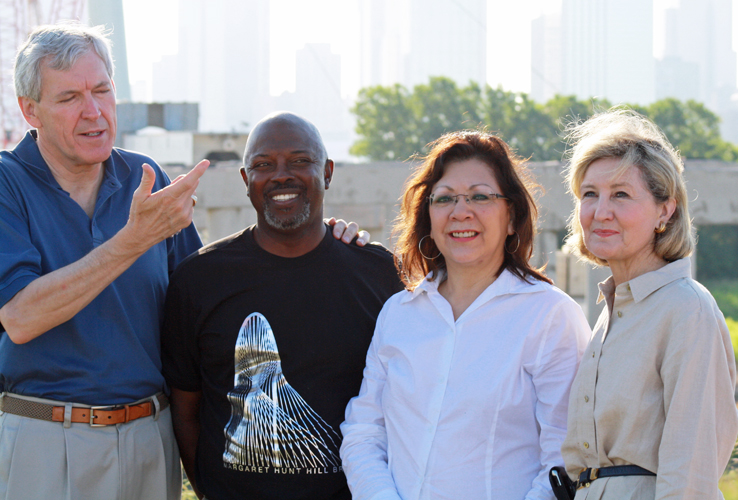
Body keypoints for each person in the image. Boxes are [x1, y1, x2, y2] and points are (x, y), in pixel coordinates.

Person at [0, 22, 367, 500]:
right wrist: (133, 241)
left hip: (150, 440)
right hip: (46, 441)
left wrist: (321, 237)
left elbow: (206, 299)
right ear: (31, 110)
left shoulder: (144, 176)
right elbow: (20, 316)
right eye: (69, 98)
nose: (93, 112)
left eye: (102, 90)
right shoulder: (7, 185)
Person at [160, 111, 404, 500]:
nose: (281, 175)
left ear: (327, 172)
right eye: (262, 165)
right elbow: (185, 409)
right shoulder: (199, 280)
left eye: (299, 161)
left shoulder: (380, 275)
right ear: (246, 181)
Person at [340, 130, 591, 500]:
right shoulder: (398, 314)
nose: (461, 212)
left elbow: (565, 458)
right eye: (445, 199)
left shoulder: (550, 316)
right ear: (428, 217)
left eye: (480, 196)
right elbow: (364, 432)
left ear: (511, 217)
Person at [559, 109, 738, 499]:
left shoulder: (686, 310)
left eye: (621, 194)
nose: (600, 211)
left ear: (665, 210)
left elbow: (690, 472)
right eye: (590, 194)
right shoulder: (612, 313)